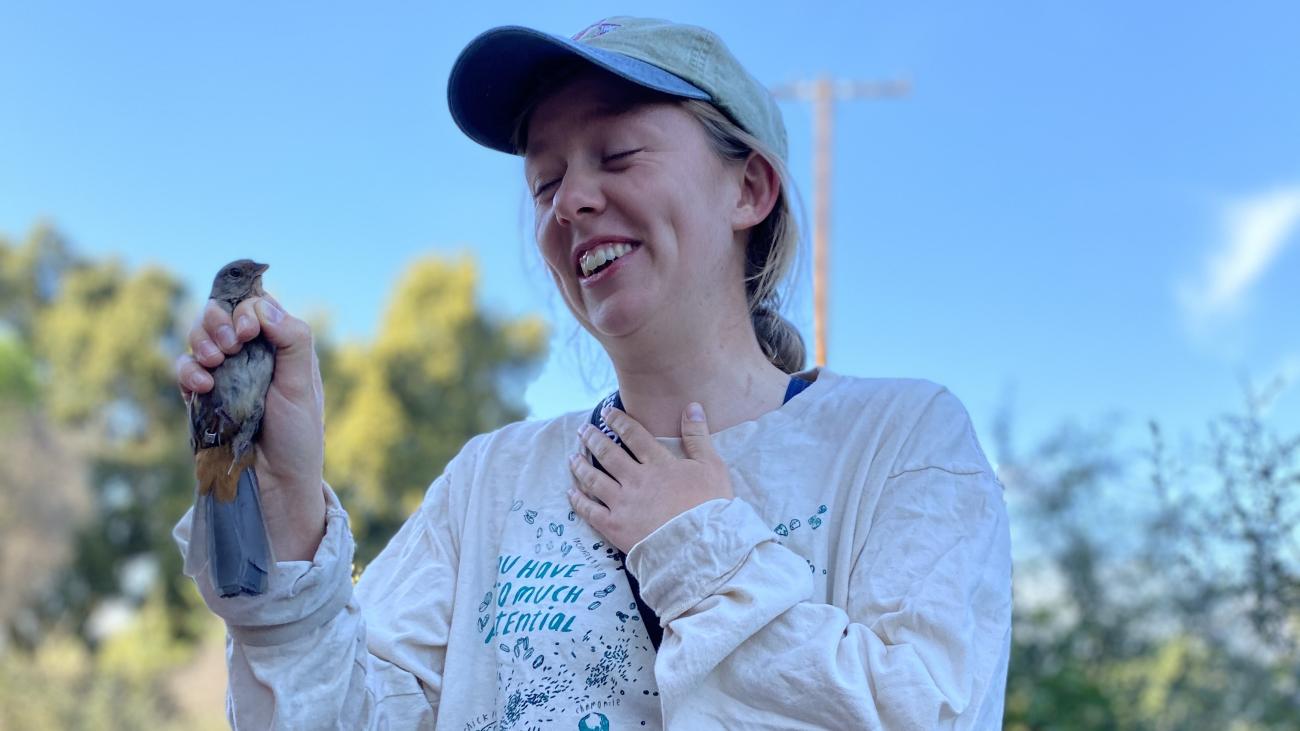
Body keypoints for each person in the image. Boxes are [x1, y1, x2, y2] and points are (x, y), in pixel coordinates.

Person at [173, 16, 1011, 730]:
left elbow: (928, 709)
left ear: (749, 187)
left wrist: (697, 546)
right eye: (544, 179)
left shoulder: (901, 441)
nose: (569, 201)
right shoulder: (489, 481)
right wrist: (283, 513)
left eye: (615, 154)